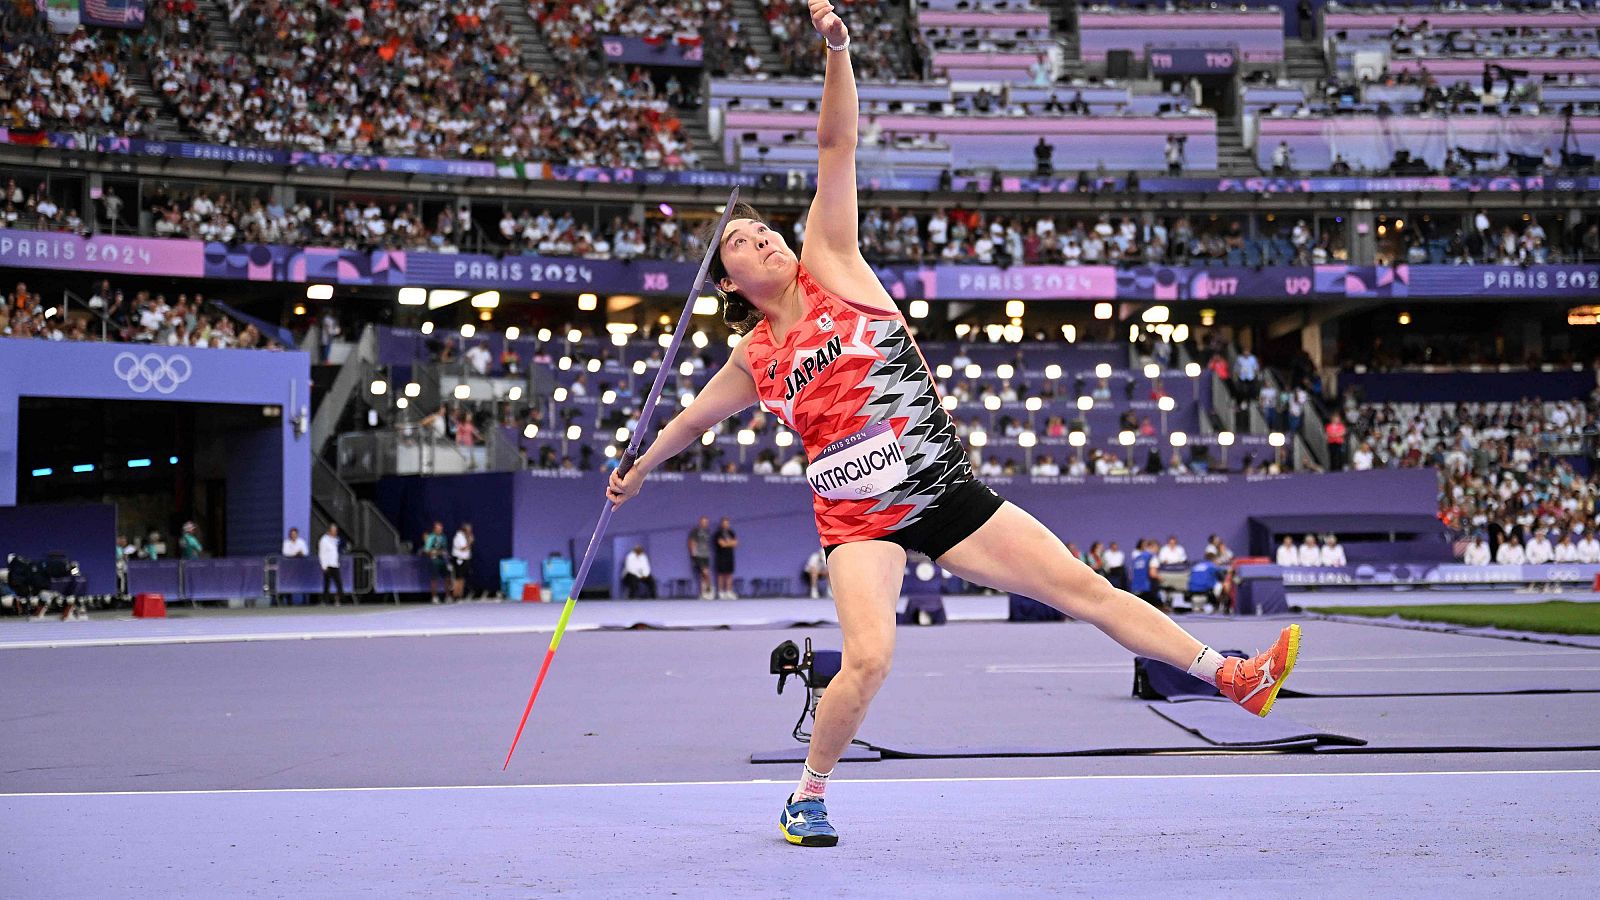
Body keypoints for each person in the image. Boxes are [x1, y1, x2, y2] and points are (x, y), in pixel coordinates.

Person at [604, 0, 1301, 849]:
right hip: (857, 519)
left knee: (1086, 591)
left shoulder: (834, 265)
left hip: (944, 492)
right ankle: (807, 795)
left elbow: (835, 148)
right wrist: (638, 464)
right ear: (729, 280)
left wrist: (837, 47)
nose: (766, 237)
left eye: (764, 227)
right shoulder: (754, 357)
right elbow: (689, 421)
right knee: (868, 659)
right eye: (745, 241)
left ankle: (1232, 676)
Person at [422, 521, 451, 603]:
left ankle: (448, 596)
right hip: (434, 561)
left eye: (441, 529)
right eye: (438, 529)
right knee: (434, 579)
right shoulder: (431, 537)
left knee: (447, 578)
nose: (440, 530)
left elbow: (444, 549)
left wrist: (445, 554)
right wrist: (437, 552)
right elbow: (426, 550)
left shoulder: (444, 537)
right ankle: (434, 597)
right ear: (434, 529)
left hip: (443, 561)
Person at [281, 527, 310, 605]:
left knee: (303, 582)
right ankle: (289, 601)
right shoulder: (286, 543)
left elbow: (306, 552)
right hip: (290, 567)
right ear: (290, 535)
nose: (293, 535)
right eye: (292, 534)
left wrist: (300, 553)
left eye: (294, 534)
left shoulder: (301, 542)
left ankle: (305, 600)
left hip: (300, 567)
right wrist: (295, 554)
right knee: (288, 583)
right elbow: (286, 553)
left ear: (297, 534)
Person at [319, 524, 347, 605]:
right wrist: (324, 565)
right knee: (327, 583)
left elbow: (336, 551)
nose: (335, 532)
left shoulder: (336, 539)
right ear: (329, 531)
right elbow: (322, 553)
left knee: (338, 582)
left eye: (335, 531)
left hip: (334, 564)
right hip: (327, 564)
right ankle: (325, 600)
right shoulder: (324, 540)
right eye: (333, 531)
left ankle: (340, 599)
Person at [688, 516, 713, 600]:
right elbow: (691, 542)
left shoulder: (707, 532)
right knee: (704, 573)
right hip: (698, 555)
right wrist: (693, 555)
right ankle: (708, 589)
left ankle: (705, 592)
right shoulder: (695, 531)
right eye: (703, 522)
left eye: (706, 522)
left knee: (704, 574)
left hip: (706, 555)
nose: (704, 523)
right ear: (700, 522)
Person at [714, 516, 739, 599]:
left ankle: (728, 591)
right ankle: (721, 592)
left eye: (727, 523)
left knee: (729, 574)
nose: (726, 525)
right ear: (721, 524)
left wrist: (728, 543)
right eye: (724, 523)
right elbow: (722, 544)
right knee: (721, 574)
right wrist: (729, 543)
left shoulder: (731, 532)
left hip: (730, 556)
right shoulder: (718, 533)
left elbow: (736, 543)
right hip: (721, 556)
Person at [451, 523, 475, 600]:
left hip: (465, 559)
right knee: (458, 577)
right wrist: (470, 542)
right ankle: (455, 595)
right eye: (468, 530)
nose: (470, 531)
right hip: (458, 559)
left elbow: (468, 548)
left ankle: (460, 595)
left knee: (462, 578)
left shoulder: (467, 537)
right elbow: (463, 548)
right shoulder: (458, 537)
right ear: (464, 530)